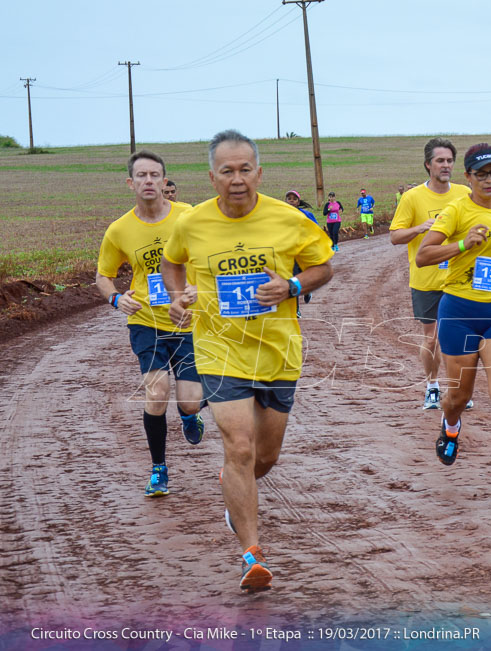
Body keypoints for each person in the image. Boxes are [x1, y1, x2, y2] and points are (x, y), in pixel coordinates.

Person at [162, 129, 334, 592]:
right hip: (219, 350)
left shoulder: (289, 218)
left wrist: (294, 286)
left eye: (245, 170)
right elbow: (171, 262)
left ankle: (234, 487)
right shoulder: (191, 223)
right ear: (211, 176)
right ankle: (251, 554)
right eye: (227, 171)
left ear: (259, 172)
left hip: (278, 351)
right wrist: (178, 298)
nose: (237, 179)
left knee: (264, 458)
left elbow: (324, 267)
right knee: (239, 448)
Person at [415, 143, 491, 505]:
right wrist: (461, 244)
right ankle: (450, 426)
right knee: (458, 396)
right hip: (459, 312)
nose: (489, 179)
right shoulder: (456, 210)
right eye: (481, 174)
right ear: (467, 177)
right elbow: (424, 255)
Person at [96, 150, 204, 498]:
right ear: (130, 183)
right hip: (146, 321)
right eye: (141, 176)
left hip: (187, 321)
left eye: (154, 175)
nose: (148, 181)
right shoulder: (119, 229)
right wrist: (116, 298)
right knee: (156, 394)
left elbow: (209, 259)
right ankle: (159, 470)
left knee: (188, 401)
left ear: (164, 180)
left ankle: (190, 416)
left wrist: (197, 288)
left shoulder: (188, 216)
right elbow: (103, 276)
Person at [389, 137, 473, 410]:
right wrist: (419, 228)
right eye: (440, 160)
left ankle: (459, 390)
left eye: (449, 160)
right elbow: (394, 237)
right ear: (428, 165)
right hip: (426, 279)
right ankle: (432, 386)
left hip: (460, 278)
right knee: (433, 337)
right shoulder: (413, 197)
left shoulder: (463, 193)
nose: (446, 165)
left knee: (462, 338)